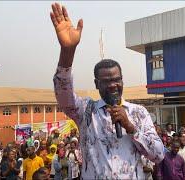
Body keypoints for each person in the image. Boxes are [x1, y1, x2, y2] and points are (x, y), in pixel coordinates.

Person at [50, 2, 164, 179]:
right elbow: (63, 93)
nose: (112, 85)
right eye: (106, 81)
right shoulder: (86, 111)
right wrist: (67, 51)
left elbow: (158, 155)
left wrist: (131, 127)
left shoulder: (138, 113)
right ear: (96, 84)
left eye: (116, 80)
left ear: (122, 81)